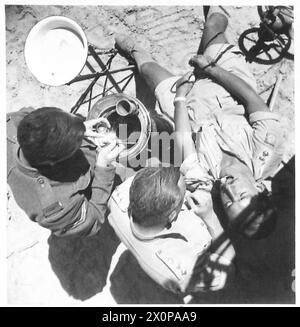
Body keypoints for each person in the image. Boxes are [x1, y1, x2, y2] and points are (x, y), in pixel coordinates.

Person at [114, 8, 285, 239]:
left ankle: (135, 51)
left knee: (147, 71)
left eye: (227, 202)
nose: (229, 189)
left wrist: (180, 97)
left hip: (190, 109)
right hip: (227, 84)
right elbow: (250, 99)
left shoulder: (203, 183)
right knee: (213, 26)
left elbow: (184, 139)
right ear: (261, 190)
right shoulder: (266, 150)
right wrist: (210, 68)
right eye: (242, 195)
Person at [108, 166, 235, 294]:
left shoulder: (120, 197)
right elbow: (228, 268)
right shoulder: (182, 270)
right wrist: (209, 216)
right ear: (173, 216)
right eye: (184, 194)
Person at [7, 106, 124, 237]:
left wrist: (77, 129)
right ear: (53, 163)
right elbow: (93, 221)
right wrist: (103, 168)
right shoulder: (54, 208)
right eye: (76, 144)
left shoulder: (12, 125)